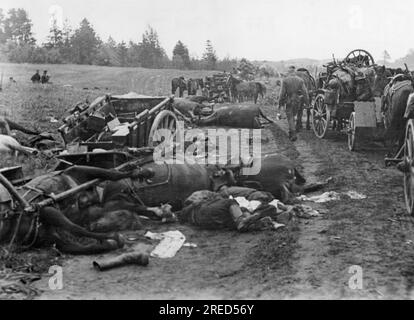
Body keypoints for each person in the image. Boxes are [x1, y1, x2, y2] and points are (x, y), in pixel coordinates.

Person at [278, 65, 309, 141]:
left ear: (289, 72)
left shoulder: (285, 80)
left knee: (290, 117)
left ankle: (293, 133)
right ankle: (291, 132)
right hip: (297, 101)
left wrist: (280, 103)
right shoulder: (300, 80)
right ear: (294, 72)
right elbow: (305, 93)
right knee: (293, 115)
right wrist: (307, 103)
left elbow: (282, 94)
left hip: (289, 100)